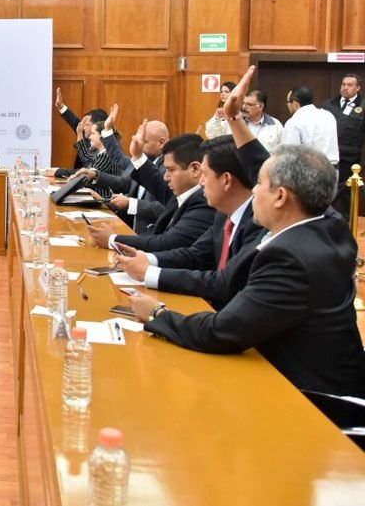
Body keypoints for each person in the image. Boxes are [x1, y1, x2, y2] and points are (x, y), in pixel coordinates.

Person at [128, 99, 365, 398]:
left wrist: (157, 313)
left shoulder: (289, 258)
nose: (252, 191)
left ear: (280, 197)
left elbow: (222, 331)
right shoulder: (329, 227)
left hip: (312, 400)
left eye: (259, 184)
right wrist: (235, 120)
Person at [112, 135, 265, 310]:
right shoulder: (223, 216)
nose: (201, 182)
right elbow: (195, 255)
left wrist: (149, 273)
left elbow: (223, 282)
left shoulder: (257, 224)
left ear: (226, 180)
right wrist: (146, 259)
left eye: (205, 174)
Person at [87, 130, 214, 252]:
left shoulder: (204, 203)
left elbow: (166, 243)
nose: (166, 177)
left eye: (171, 170)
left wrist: (112, 239)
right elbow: (156, 182)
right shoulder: (184, 193)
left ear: (195, 169)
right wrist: (138, 156)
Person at [78, 118, 169, 233]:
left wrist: (130, 203)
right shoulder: (142, 161)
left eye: (144, 142)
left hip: (150, 236)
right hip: (129, 229)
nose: (139, 146)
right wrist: (96, 176)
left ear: (161, 143)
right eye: (137, 141)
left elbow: (165, 208)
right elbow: (125, 183)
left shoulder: (168, 169)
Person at [322, 73, 365, 218]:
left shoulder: (363, 106)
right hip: (328, 157)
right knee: (326, 190)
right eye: (343, 84)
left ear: (358, 88)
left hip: (350, 159)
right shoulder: (329, 104)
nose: (345, 88)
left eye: (349, 85)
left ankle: (348, 222)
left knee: (346, 194)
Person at [281, 86, 338, 165]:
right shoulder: (328, 115)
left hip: (309, 169)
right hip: (332, 168)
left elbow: (290, 155)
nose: (287, 105)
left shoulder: (294, 121)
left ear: (295, 103)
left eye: (288, 102)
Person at [54, 88, 108, 169]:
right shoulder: (86, 134)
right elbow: (74, 121)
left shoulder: (105, 148)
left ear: (97, 125)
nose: (83, 127)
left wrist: (58, 171)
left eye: (86, 124)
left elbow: (86, 162)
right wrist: (61, 106)